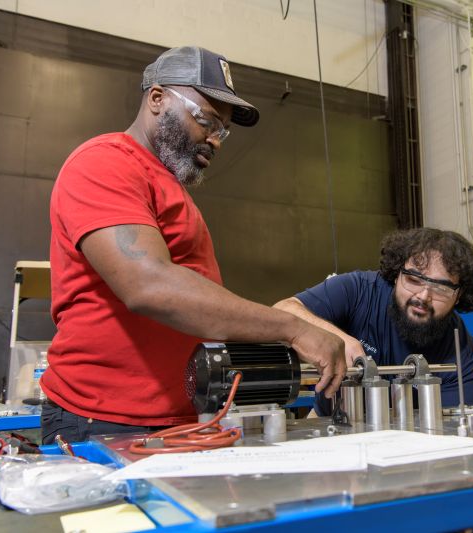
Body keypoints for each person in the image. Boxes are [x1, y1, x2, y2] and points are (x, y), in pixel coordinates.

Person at [41, 46, 346, 443]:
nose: (215, 141)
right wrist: (293, 329)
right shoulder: (105, 163)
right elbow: (148, 286)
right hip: (105, 421)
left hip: (177, 420)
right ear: (157, 98)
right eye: (205, 120)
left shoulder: (166, 185)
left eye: (223, 131)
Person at [274, 227, 473, 415]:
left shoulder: (462, 356)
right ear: (396, 275)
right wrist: (334, 338)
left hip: (413, 438)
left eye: (441, 288)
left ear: (459, 295)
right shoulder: (359, 291)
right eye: (413, 280)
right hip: (331, 423)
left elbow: (448, 433)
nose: (423, 297)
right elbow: (282, 310)